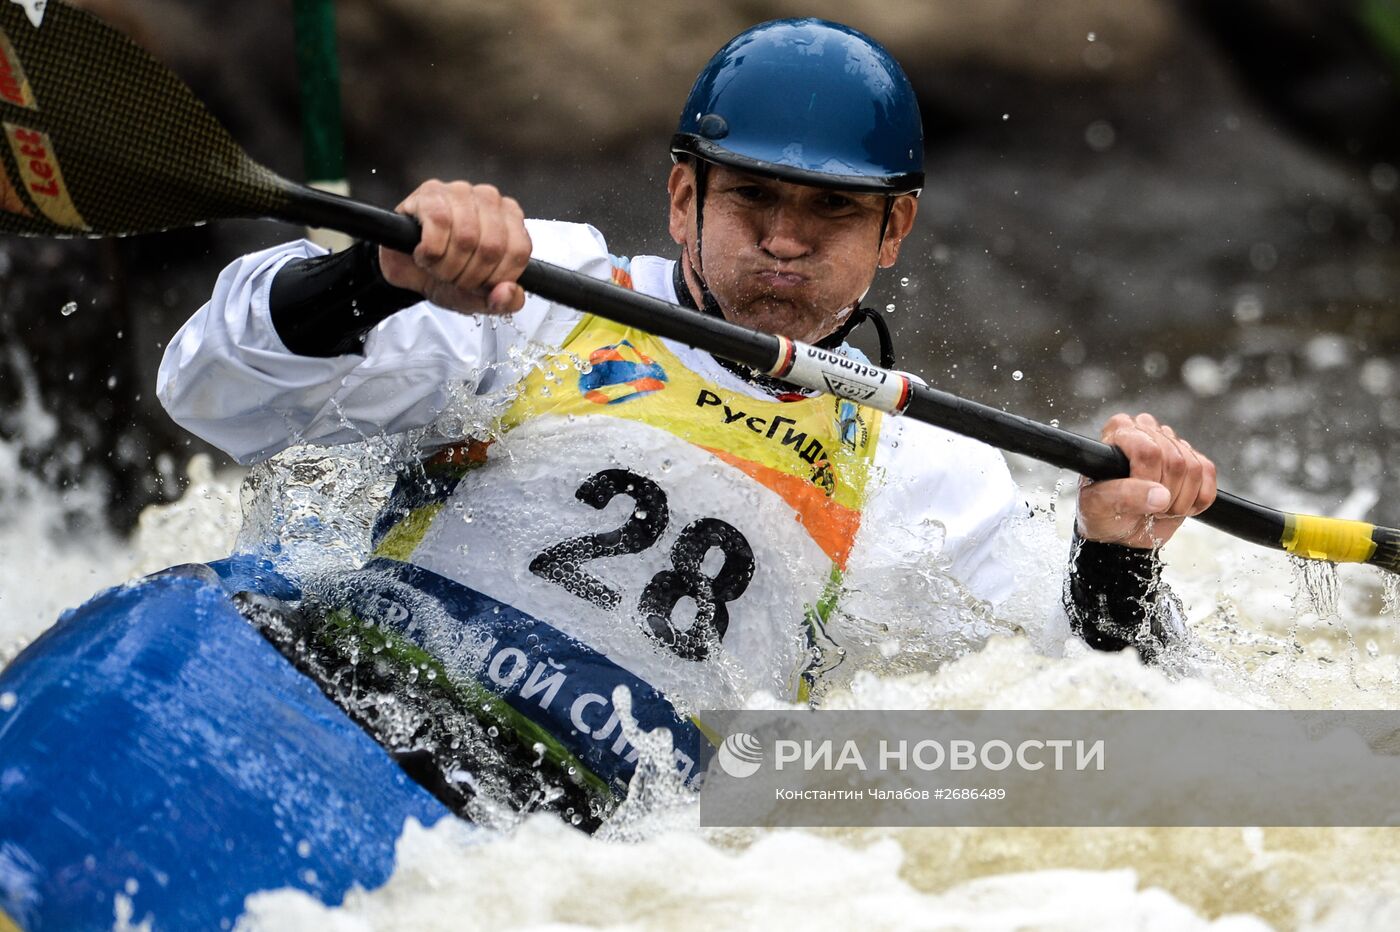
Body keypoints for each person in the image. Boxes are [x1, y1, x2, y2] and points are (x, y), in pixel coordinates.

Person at [157, 19, 1215, 810]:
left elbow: (1101, 721)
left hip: (580, 830)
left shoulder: (926, 466)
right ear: (681, 199)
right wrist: (374, 280)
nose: (786, 242)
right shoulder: (538, 291)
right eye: (753, 199)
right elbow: (210, 390)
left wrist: (1115, 551)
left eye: (832, 211)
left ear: (892, 230)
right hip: (357, 698)